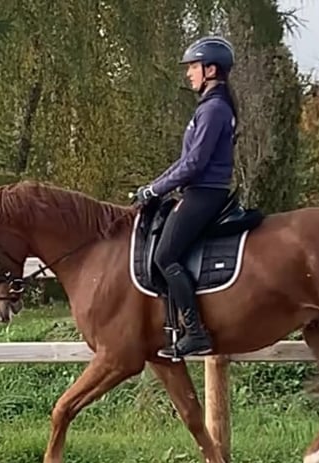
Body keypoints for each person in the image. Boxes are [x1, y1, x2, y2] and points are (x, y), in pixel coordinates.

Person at [132, 35, 238, 358]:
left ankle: (195, 333)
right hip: (201, 190)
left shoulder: (215, 108)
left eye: (193, 66)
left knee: (165, 257)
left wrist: (155, 188)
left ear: (211, 70)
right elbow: (184, 161)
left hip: (205, 193)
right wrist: (154, 186)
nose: (188, 73)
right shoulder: (210, 106)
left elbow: (194, 163)